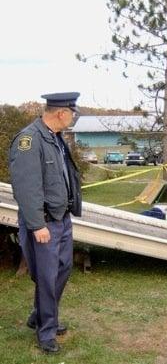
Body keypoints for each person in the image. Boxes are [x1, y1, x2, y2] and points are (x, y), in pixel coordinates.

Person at [9, 92, 82, 354]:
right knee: (47, 277)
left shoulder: (55, 139)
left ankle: (39, 315)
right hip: (45, 223)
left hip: (62, 219)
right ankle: (46, 331)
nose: (73, 118)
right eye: (72, 113)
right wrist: (37, 225)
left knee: (63, 269)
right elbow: (26, 188)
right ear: (61, 113)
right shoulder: (30, 140)